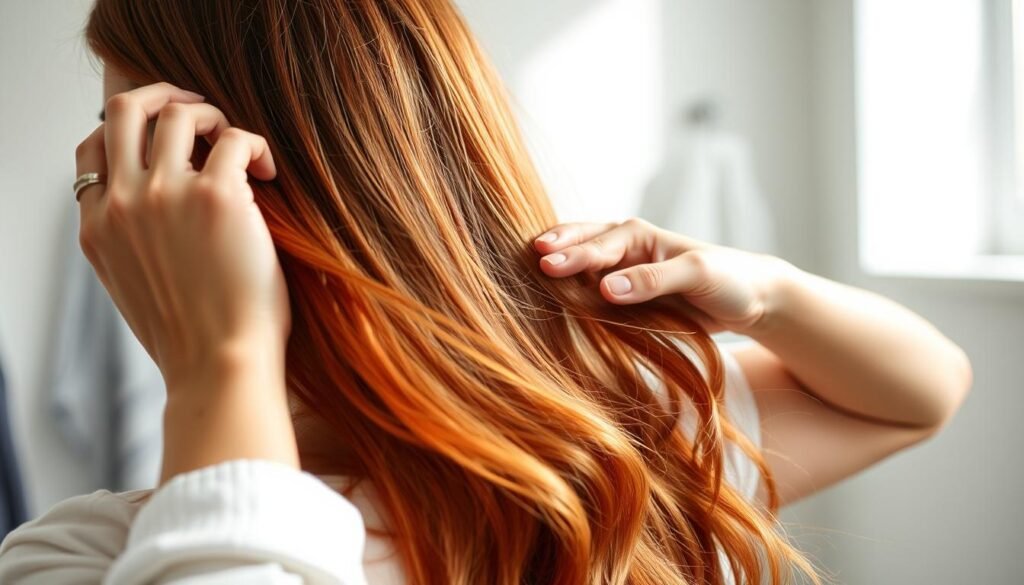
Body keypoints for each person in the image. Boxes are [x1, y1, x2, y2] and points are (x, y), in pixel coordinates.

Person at [0, 0, 973, 583]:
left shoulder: (608, 458)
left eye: (138, 152)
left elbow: (920, 391)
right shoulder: (90, 554)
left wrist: (763, 289)